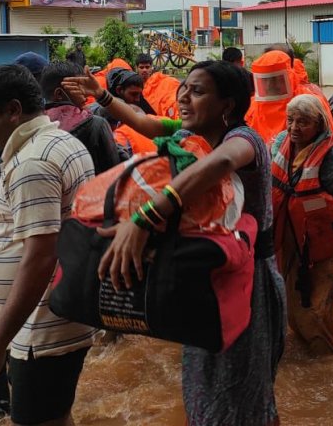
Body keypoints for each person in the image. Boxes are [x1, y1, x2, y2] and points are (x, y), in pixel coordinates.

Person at [64, 61, 285, 425]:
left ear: (227, 104)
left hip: (248, 283)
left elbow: (220, 164)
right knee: (207, 385)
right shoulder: (189, 136)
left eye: (197, 91)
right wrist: (101, 94)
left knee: (241, 392)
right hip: (206, 278)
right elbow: (147, 125)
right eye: (184, 87)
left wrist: (145, 218)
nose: (183, 96)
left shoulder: (245, 141)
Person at [0, 64, 96, 425]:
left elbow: (41, 256)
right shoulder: (59, 140)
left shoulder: (33, 162)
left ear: (13, 110)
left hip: (41, 329)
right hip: (54, 319)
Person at [270, 94, 333, 356]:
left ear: (319, 125)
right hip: (288, 242)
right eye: (290, 120)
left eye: (303, 122)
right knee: (290, 308)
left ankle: (330, 365)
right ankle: (311, 360)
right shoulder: (281, 143)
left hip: (322, 250)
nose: (294, 128)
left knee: (315, 314)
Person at [41, 61, 122, 172]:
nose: (86, 93)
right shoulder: (96, 125)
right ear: (59, 94)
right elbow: (114, 173)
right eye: (79, 87)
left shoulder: (35, 126)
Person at [245, 50, 333, 143]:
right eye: (265, 80)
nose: (269, 85)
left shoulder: (311, 102)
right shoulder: (252, 106)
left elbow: (330, 140)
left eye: (274, 79)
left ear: (289, 76)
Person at [137, 53, 181, 118]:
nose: (144, 70)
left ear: (151, 68)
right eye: (141, 67)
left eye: (147, 67)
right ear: (136, 68)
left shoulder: (160, 80)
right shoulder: (134, 85)